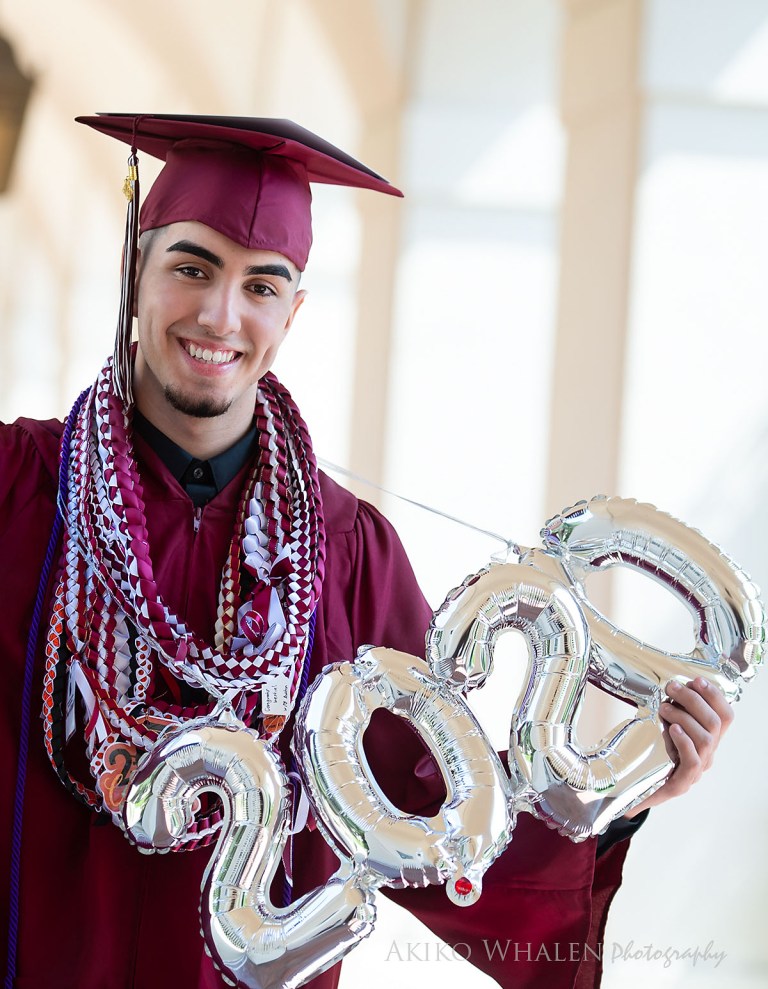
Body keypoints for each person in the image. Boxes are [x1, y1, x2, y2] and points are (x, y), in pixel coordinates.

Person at [0, 113, 733, 989]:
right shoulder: (18, 489)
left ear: (295, 310)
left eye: (262, 285)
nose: (220, 314)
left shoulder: (344, 550)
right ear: (135, 269)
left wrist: (619, 794)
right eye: (191, 267)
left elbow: (429, 800)